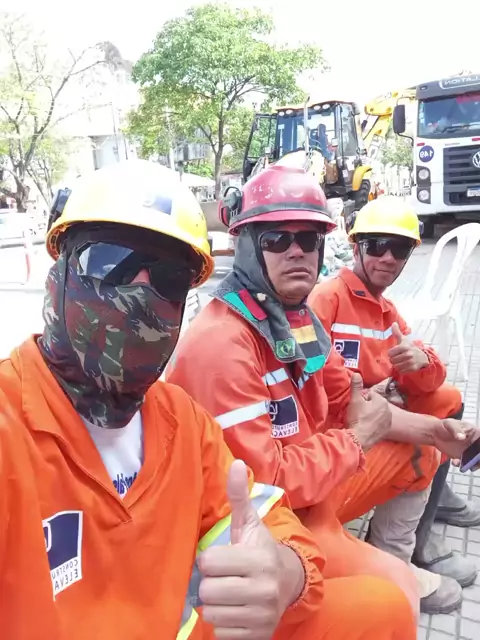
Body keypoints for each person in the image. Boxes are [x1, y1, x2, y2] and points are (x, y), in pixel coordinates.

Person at [0, 160, 417, 640]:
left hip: (257, 567)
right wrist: (358, 439)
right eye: (108, 261)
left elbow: (263, 515)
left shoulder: (182, 421)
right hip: (314, 489)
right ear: (58, 273)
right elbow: (283, 471)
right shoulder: (13, 426)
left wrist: (285, 573)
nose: (140, 292)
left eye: (169, 277)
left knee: (385, 608)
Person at [166, 164, 480, 616]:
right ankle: (385, 573)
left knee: (423, 453)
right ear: (246, 245)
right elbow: (264, 487)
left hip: (311, 491)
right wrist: (356, 439)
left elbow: (349, 399)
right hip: (268, 527)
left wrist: (437, 432)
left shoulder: (297, 320)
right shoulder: (223, 344)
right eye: (277, 239)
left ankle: (391, 555)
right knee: (394, 603)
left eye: (309, 239)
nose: (297, 251)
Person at [308, 196, 480, 592]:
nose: (387, 257)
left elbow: (429, 382)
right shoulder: (327, 300)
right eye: (376, 245)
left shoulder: (386, 310)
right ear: (356, 248)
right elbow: (328, 396)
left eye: (399, 249)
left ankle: (424, 519)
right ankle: (394, 554)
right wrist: (396, 410)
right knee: (424, 451)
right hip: (341, 434)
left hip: (371, 415)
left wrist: (421, 362)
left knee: (448, 399)